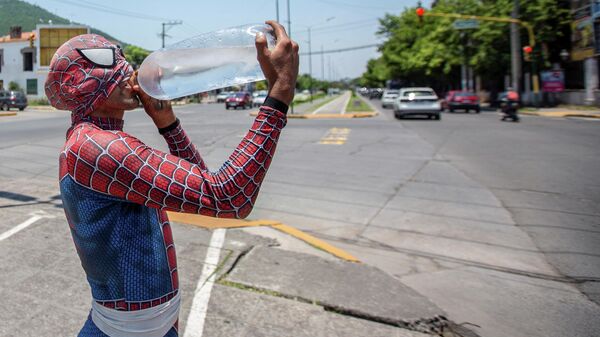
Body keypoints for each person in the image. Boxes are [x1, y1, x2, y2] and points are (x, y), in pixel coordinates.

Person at [44, 21, 298, 337]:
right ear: (75, 82)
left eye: (123, 58)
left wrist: (167, 123)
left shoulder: (101, 139)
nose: (127, 68)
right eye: (106, 59)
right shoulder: (97, 146)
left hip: (151, 327)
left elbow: (206, 191)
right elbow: (230, 198)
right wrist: (280, 92)